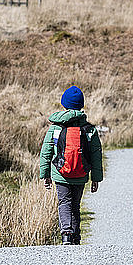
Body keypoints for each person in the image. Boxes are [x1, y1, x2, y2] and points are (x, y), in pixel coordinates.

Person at [39, 86, 103, 245]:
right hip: (81, 174)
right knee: (75, 205)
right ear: (81, 105)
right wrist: (96, 178)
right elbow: (96, 155)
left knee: (64, 203)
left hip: (60, 174)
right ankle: (76, 237)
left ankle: (66, 234)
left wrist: (45, 174)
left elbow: (46, 152)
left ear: (64, 104)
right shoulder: (89, 130)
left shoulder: (55, 127)